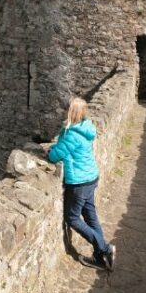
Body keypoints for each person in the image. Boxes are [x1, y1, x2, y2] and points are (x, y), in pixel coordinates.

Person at [47, 97, 115, 271]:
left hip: (79, 182)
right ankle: (100, 258)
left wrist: (51, 150)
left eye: (66, 109)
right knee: (90, 215)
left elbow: (54, 156)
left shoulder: (71, 135)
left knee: (73, 218)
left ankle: (105, 249)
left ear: (71, 113)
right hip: (91, 177)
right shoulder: (86, 128)